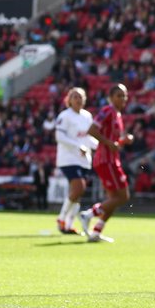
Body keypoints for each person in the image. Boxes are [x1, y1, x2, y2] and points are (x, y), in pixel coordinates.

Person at [82, 84, 133, 243]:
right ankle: (89, 214)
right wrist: (109, 143)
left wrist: (123, 141)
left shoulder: (117, 114)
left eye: (124, 95)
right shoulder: (107, 111)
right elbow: (91, 129)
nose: (123, 98)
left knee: (113, 199)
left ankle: (97, 232)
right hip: (106, 160)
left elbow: (113, 141)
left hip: (111, 159)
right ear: (110, 97)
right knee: (123, 196)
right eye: (119, 95)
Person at [53, 87, 96, 235]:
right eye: (75, 97)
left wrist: (102, 145)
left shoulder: (87, 116)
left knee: (77, 193)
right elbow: (60, 137)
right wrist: (79, 146)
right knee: (79, 188)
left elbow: (88, 138)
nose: (78, 99)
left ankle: (68, 225)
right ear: (69, 100)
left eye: (80, 97)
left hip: (84, 159)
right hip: (69, 158)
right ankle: (61, 218)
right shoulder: (65, 116)